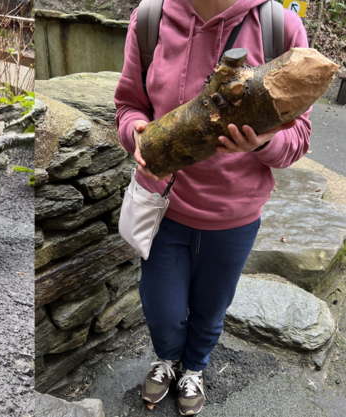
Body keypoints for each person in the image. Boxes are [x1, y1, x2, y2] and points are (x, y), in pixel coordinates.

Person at [113, 0, 311, 415]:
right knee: (161, 309)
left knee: (211, 308)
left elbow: (298, 140)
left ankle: (195, 368)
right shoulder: (150, 19)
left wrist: (262, 143)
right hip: (162, 205)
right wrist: (137, 134)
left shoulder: (281, 27)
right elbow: (129, 104)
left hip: (235, 215)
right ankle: (168, 359)